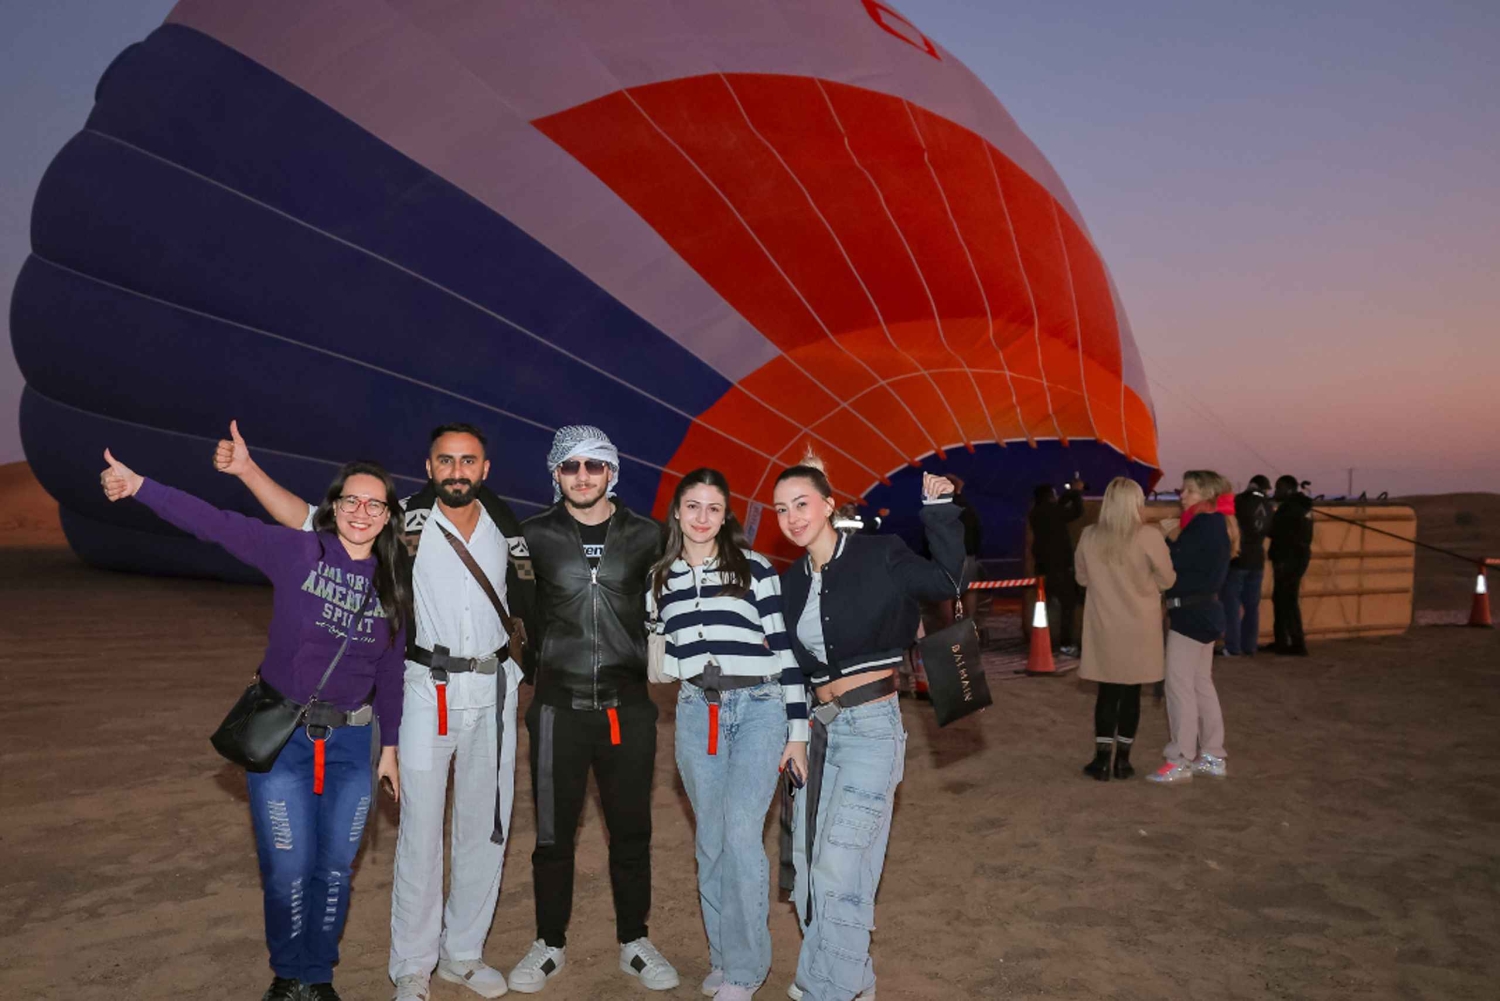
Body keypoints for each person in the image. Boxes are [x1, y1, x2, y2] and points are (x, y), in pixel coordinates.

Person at [217, 421, 529, 1001]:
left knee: (486, 827)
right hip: (426, 690)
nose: (456, 471)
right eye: (445, 460)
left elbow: (534, 598)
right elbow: (307, 520)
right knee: (419, 829)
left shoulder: (509, 528)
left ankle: (464, 953)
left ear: (485, 469)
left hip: (493, 691)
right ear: (428, 467)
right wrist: (247, 470)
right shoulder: (396, 521)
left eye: (468, 461)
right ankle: (412, 965)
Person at [100, 450, 408, 1001]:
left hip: (352, 743)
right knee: (289, 869)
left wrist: (390, 749)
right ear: (333, 506)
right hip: (283, 739)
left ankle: (318, 977)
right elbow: (216, 523)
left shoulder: (393, 584)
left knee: (335, 871)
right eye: (351, 501)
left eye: (374, 505)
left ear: (388, 517)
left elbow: (390, 671)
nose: (361, 512)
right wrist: (140, 485)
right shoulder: (297, 552)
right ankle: (288, 974)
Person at [774, 457, 964, 1001]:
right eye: (782, 510)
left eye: (802, 503)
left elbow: (947, 580)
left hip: (871, 732)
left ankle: (841, 988)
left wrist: (939, 510)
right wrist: (794, 736)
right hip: (818, 734)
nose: (792, 517)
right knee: (809, 864)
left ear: (829, 504)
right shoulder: (790, 583)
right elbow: (792, 670)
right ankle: (829, 977)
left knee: (840, 866)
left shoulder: (880, 554)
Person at [507, 425, 678, 994]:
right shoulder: (531, 535)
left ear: (612, 472)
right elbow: (514, 610)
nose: (583, 477)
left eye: (594, 465)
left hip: (628, 709)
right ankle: (549, 943)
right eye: (570, 466)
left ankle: (634, 940)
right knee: (552, 836)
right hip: (557, 709)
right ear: (555, 474)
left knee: (631, 832)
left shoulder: (649, 536)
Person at [646, 468, 808, 1001]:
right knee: (711, 842)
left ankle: (745, 969)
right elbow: (661, 655)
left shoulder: (754, 569)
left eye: (713, 508)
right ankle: (723, 956)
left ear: (725, 516)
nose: (702, 517)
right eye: (692, 506)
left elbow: (785, 654)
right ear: (677, 511)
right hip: (697, 711)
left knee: (740, 835)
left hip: (760, 709)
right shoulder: (660, 579)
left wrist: (797, 731)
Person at [1073, 477, 1176, 781]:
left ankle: (1101, 760)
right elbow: (1168, 579)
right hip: (1141, 626)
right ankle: (1123, 761)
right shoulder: (1149, 536)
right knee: (1131, 693)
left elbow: (1081, 578)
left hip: (1104, 625)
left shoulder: (1089, 535)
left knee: (1107, 692)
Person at [1148, 470, 1238, 784]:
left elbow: (1173, 564)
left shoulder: (1202, 525)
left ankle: (1181, 759)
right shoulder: (1216, 524)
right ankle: (1212, 755)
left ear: (1207, 494)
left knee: (1179, 686)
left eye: (1189, 491)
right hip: (1206, 611)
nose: (1182, 496)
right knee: (1200, 684)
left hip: (1191, 614)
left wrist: (1162, 539)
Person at [1030, 478, 1085, 657]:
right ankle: (1065, 644)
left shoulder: (1036, 513)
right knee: (1068, 607)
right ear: (1049, 496)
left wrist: (1069, 494)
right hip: (1060, 567)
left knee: (1046, 607)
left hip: (1043, 568)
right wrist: (1076, 492)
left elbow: (1058, 508)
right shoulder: (1053, 512)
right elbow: (1077, 512)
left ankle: (1043, 642)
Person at [1221, 475, 1273, 657]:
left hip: (1238, 558)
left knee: (1231, 605)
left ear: (1250, 485)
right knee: (1252, 607)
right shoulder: (1268, 505)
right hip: (1257, 559)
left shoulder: (1240, 501)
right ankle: (1250, 645)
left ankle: (1233, 646)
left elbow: (1228, 524)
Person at [1266, 474, 1314, 657]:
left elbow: (1274, 531)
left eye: (1279, 488)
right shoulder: (1302, 507)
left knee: (1286, 600)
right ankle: (1283, 641)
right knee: (1283, 599)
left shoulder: (1289, 509)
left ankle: (1296, 643)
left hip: (1288, 559)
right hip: (1297, 557)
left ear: (1288, 489)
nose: (1276, 491)